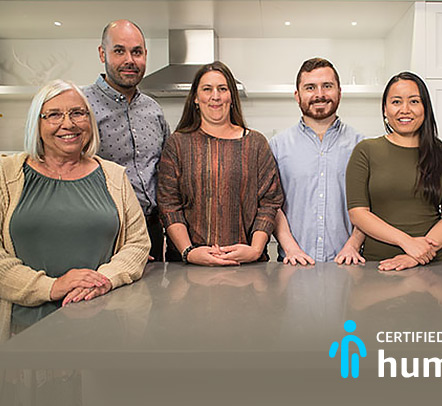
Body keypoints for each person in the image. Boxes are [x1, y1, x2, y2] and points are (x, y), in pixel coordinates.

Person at [0, 80, 150, 341]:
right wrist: (52, 287)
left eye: (78, 113)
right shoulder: (6, 174)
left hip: (103, 326)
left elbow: (137, 243)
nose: (68, 124)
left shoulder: (114, 176)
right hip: (24, 331)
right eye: (54, 115)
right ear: (36, 123)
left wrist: (104, 280)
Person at [157, 61, 283, 266]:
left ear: (231, 96)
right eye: (207, 89)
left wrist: (255, 250)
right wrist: (189, 252)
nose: (215, 96)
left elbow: (270, 202)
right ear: (195, 98)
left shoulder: (256, 143)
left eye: (222, 89)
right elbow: (168, 204)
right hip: (189, 267)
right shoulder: (177, 144)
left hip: (246, 266)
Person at [346, 71, 442, 271]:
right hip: (379, 264)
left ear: (425, 108)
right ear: (385, 109)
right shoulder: (365, 151)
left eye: (414, 101)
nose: (405, 110)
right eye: (396, 102)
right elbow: (358, 214)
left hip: (436, 265)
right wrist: (407, 243)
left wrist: (417, 255)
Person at [84, 19, 170, 262]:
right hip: (102, 233)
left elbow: (165, 170)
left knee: (154, 288)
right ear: (102, 53)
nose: (130, 60)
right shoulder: (81, 106)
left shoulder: (153, 110)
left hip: (151, 230)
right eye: (119, 51)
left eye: (137, 52)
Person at [269, 58, 366, 265]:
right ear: (297, 95)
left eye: (327, 86)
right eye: (310, 87)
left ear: (339, 92)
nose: (319, 94)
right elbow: (271, 205)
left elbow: (370, 205)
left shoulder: (361, 146)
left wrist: (353, 245)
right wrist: (291, 249)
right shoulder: (277, 146)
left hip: (348, 263)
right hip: (292, 264)